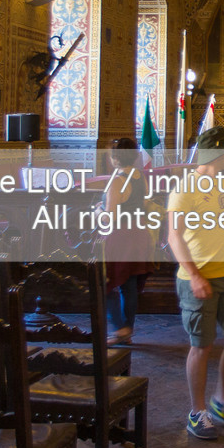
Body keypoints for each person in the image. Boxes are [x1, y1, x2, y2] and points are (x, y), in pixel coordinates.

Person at [165, 126, 224, 440]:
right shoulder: (185, 188)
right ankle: (197, 412)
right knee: (201, 347)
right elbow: (174, 236)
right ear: (218, 151)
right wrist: (194, 275)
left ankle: (221, 400)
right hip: (199, 279)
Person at [100, 137, 159, 344]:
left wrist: (97, 212)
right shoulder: (139, 177)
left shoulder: (117, 181)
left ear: (115, 158)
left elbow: (111, 215)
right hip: (140, 233)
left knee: (106, 283)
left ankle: (119, 328)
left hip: (122, 235)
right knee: (130, 285)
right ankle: (128, 329)